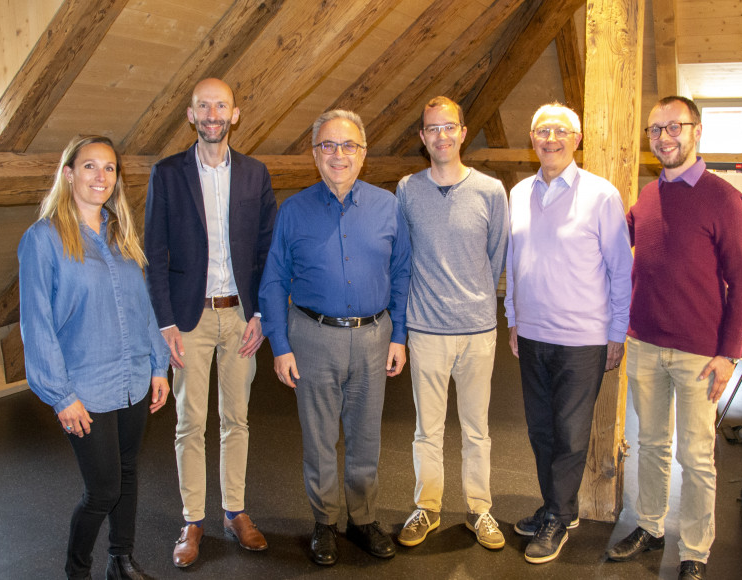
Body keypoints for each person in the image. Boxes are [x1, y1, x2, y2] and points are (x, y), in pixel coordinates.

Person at [605, 96, 742, 580]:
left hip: (700, 355)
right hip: (645, 343)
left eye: (674, 127)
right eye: (655, 130)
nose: (664, 137)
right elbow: (608, 245)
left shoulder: (723, 198)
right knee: (650, 443)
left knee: (696, 456)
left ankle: (695, 548)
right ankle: (649, 525)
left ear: (697, 131)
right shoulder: (648, 196)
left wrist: (729, 353)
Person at [259, 109, 411, 567]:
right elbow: (273, 282)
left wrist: (399, 335)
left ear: (363, 154)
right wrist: (280, 345)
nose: (338, 154)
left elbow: (402, 273)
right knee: (320, 437)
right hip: (312, 337)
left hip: (373, 337)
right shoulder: (294, 210)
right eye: (328, 145)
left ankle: (362, 519)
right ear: (314, 154)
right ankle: (324, 521)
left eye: (348, 146)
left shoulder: (389, 207)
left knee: (366, 437)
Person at [19, 135, 171, 580]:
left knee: (127, 475)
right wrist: (61, 395)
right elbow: (37, 324)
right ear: (69, 174)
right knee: (103, 489)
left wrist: (157, 366)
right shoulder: (43, 239)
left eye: (109, 168)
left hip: (133, 379)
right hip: (84, 387)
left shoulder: (120, 232)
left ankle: (121, 561)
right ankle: (77, 569)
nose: (100, 177)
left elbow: (144, 307)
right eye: (90, 167)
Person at [144, 78, 277, 567]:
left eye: (221, 105)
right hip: (189, 319)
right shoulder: (167, 174)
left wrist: (262, 312)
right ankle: (193, 519)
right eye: (204, 106)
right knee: (190, 422)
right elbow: (154, 253)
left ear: (235, 114)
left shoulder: (255, 174)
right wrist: (165, 323)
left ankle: (236, 512)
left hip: (241, 316)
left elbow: (268, 251)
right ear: (191, 114)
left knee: (236, 419)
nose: (213, 114)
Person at [505, 103, 633, 564]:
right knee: (541, 430)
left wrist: (616, 331)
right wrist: (513, 318)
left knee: (570, 433)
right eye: (542, 131)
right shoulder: (519, 193)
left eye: (561, 131)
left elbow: (621, 270)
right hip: (534, 333)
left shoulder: (601, 195)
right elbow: (513, 262)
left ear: (576, 140)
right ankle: (556, 506)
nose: (551, 139)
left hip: (583, 339)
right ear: (533, 139)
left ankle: (558, 517)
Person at [394, 96, 509, 550]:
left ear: (463, 133)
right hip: (425, 330)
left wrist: (478, 302)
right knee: (428, 428)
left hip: (478, 331)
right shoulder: (407, 189)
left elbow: (495, 255)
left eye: (449, 127)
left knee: (477, 428)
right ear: (423, 138)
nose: (441, 136)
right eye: (432, 129)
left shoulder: (490, 191)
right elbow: (403, 258)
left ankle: (480, 509)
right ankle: (428, 506)